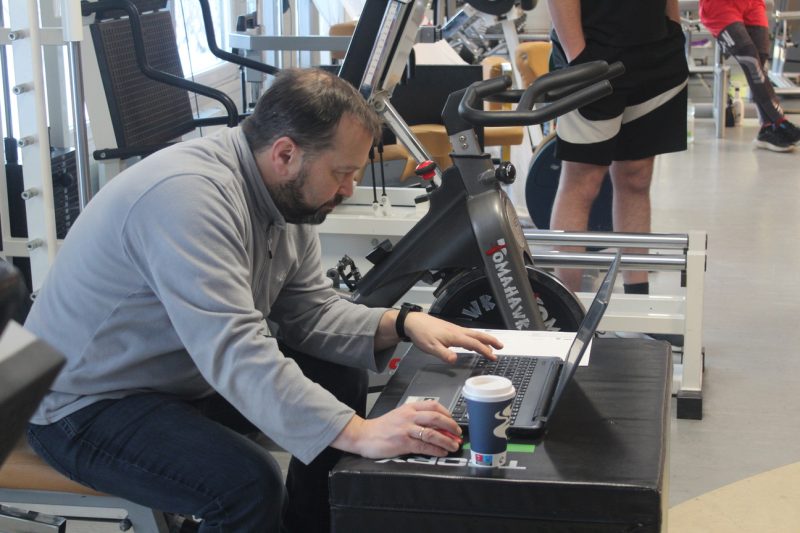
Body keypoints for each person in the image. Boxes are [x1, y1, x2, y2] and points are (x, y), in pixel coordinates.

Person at [23, 68, 501, 533]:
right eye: (341, 173)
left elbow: (310, 312)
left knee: (338, 370)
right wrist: (359, 432)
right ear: (285, 154)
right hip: (81, 404)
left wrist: (402, 322)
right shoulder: (188, 197)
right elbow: (235, 350)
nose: (349, 188)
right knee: (247, 486)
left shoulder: (286, 200)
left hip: (174, 377)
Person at [547, 0, 689, 294]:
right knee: (583, 180)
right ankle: (565, 306)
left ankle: (638, 300)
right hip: (591, 51)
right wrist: (578, 56)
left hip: (656, 52)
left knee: (637, 176)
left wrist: (673, 26)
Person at [699, 0, 800, 152]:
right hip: (720, 5)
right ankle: (780, 122)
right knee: (751, 61)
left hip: (752, 3)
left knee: (760, 63)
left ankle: (767, 129)